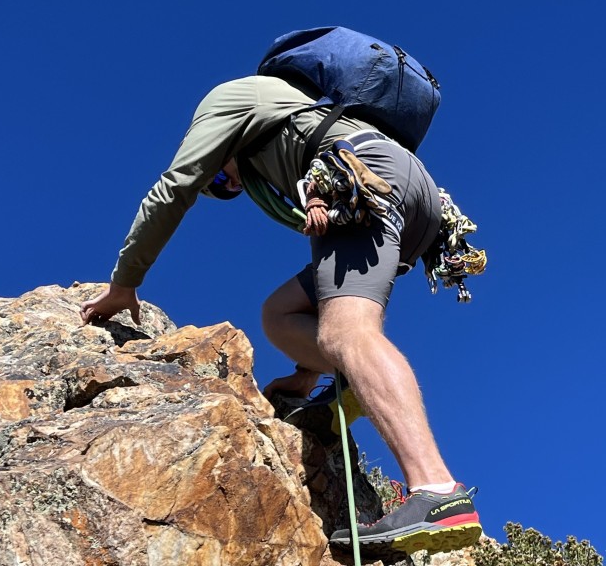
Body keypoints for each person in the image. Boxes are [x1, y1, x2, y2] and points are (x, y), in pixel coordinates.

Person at [78, 73, 482, 556]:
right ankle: (344, 380)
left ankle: (437, 491)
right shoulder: (289, 113)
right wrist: (308, 371)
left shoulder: (226, 101)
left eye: (221, 178)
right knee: (280, 312)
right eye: (223, 188)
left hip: (363, 177)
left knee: (348, 333)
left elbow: (174, 187)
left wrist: (125, 282)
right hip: (407, 189)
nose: (227, 183)